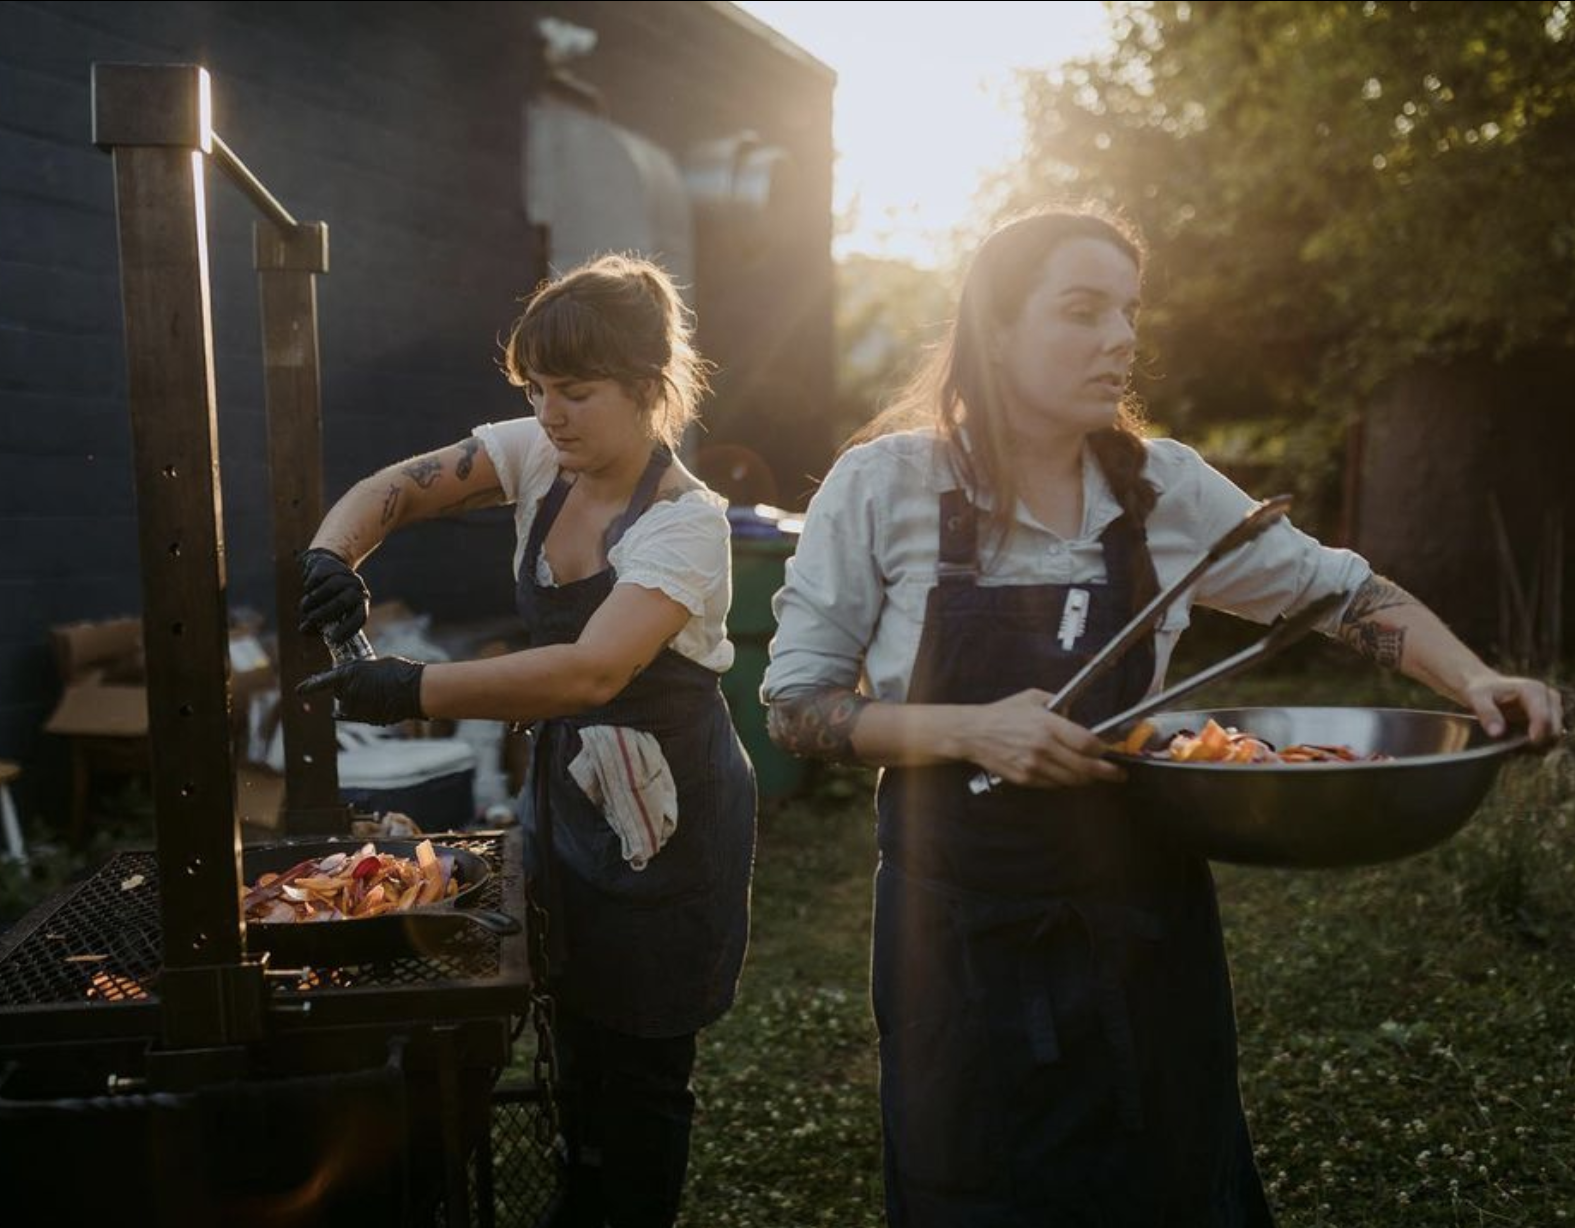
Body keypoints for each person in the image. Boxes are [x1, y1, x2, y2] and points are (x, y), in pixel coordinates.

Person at [760, 206, 1563, 1225]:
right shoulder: (882, 487)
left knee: (1170, 1180)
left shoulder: (1163, 489)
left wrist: (1474, 679)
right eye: (1083, 311)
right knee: (976, 1189)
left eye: (1129, 313)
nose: (1121, 339)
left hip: (1141, 915)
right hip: (954, 933)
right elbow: (798, 707)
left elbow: (1341, 594)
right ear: (995, 328)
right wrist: (969, 728)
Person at [297, 253, 757, 1228]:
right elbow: (395, 488)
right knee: (574, 1015)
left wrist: (407, 687)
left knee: (642, 1056)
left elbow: (590, 671)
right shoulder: (542, 455)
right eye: (536, 389)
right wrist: (334, 555)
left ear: (649, 387)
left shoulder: (685, 525)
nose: (551, 413)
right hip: (568, 789)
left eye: (575, 392)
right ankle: (581, 1190)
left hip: (669, 812)